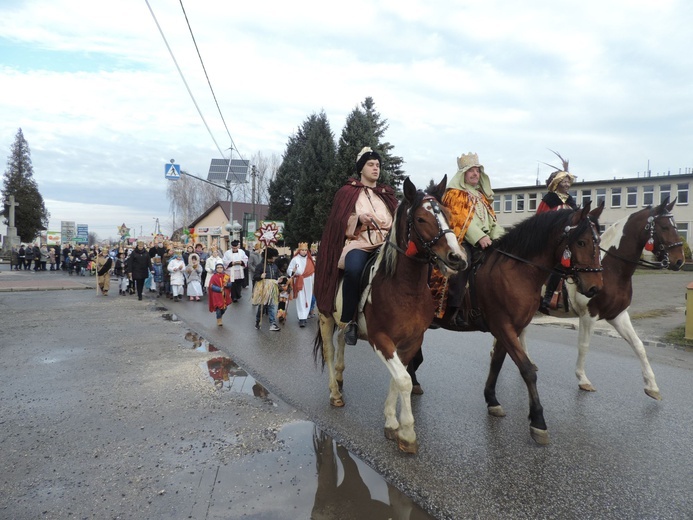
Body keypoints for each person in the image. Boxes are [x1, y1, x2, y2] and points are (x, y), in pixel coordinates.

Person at [314, 147, 398, 345]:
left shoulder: (386, 194)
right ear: (361, 168)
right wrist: (359, 218)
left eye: (378, 165)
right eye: (371, 165)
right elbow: (337, 221)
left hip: (386, 244)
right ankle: (349, 321)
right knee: (353, 269)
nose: (375, 168)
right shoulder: (347, 192)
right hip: (360, 243)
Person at [440, 152, 504, 329]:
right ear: (463, 174)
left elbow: (493, 221)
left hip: (488, 241)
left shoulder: (481, 196)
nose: (475, 174)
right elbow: (459, 220)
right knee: (462, 266)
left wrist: (500, 237)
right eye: (471, 171)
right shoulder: (455, 194)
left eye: (477, 170)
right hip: (463, 239)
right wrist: (479, 237)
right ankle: (455, 309)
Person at [537, 160, 578, 313]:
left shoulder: (570, 200)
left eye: (569, 182)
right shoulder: (549, 199)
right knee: (557, 266)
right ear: (558, 182)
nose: (567, 184)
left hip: (568, 240)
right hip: (551, 239)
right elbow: (540, 219)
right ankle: (547, 298)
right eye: (565, 181)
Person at [252, 247, 281, 331]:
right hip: (263, 287)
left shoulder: (275, 266)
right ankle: (258, 322)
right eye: (274, 256)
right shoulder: (260, 266)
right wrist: (260, 276)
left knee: (272, 306)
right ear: (269, 257)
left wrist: (278, 280)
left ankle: (273, 324)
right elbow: (255, 277)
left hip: (272, 287)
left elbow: (276, 276)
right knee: (262, 306)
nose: (275, 258)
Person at [287, 242, 316, 327]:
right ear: (299, 250)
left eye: (305, 250)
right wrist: (293, 271)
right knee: (300, 299)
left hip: (308, 281)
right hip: (299, 280)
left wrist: (314, 281)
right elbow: (289, 270)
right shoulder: (295, 259)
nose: (304, 252)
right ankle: (301, 318)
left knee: (308, 298)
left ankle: (305, 316)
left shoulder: (310, 260)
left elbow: (312, 271)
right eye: (302, 250)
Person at [208, 262, 233, 326]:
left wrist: (227, 284)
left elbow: (230, 284)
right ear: (216, 269)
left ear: (223, 268)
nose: (219, 269)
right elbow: (211, 286)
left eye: (221, 267)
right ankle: (219, 320)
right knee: (218, 308)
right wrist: (219, 289)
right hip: (217, 295)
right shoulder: (214, 277)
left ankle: (220, 316)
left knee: (224, 308)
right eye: (218, 268)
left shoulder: (226, 276)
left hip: (225, 295)